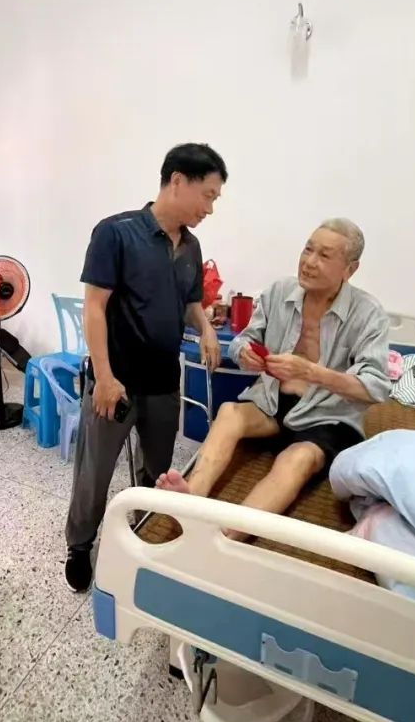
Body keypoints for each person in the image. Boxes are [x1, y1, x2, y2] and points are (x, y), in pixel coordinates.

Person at [156, 219, 392, 537]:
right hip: (271, 401)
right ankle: (190, 500)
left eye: (324, 255)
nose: (309, 262)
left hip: (326, 417)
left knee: (297, 459)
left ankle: (228, 533)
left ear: (350, 269)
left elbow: (375, 388)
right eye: (308, 249)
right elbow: (243, 339)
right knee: (229, 413)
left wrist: (311, 372)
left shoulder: (368, 314)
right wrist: (245, 352)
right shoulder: (279, 292)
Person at [64, 143, 227, 592]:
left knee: (159, 471)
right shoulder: (115, 233)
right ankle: (80, 544)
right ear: (177, 181)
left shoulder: (191, 246)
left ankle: (145, 531)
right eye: (207, 196)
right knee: (95, 472)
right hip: (115, 381)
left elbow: (190, 302)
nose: (210, 208)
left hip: (163, 381)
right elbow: (94, 307)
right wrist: (104, 376)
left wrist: (206, 329)